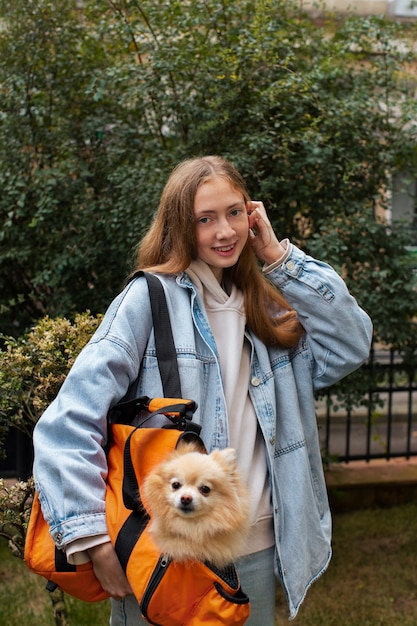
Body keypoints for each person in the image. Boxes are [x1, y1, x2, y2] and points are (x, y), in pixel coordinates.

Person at [33, 155, 373, 625]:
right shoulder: (147, 300)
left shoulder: (269, 308)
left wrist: (279, 259)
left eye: (235, 213)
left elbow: (351, 345)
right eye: (205, 219)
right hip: (168, 552)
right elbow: (68, 421)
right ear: (179, 227)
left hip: (252, 548)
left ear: (253, 216)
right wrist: (90, 539)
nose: (225, 231)